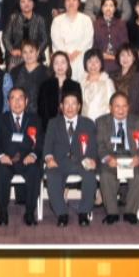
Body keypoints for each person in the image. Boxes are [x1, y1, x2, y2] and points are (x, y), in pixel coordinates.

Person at [43, 91, 99, 227]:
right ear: (61, 106)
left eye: (73, 104)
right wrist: (49, 158)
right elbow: (47, 145)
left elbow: (93, 146)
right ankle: (61, 213)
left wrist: (93, 160)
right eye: (66, 104)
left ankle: (84, 212)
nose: (70, 107)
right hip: (59, 162)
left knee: (90, 176)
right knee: (52, 175)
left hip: (82, 161)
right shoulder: (53, 123)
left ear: (79, 106)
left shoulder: (88, 123)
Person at [0, 87, 44, 226]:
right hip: (7, 160)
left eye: (20, 98)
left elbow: (40, 142)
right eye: (13, 98)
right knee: (1, 171)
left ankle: (30, 212)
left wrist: (33, 155)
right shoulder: (0, 119)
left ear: (26, 101)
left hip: (26, 160)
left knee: (34, 171)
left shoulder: (35, 119)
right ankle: (3, 211)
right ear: (8, 102)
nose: (17, 102)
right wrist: (1, 156)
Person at [96, 92, 139, 225]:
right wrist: (108, 159)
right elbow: (99, 145)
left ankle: (130, 212)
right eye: (117, 106)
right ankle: (112, 213)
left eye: (124, 106)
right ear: (110, 107)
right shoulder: (101, 122)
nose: (121, 110)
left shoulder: (137, 121)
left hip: (131, 159)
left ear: (128, 107)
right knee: (106, 176)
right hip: (112, 158)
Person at [51, 0, 94, 81]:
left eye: (74, 0)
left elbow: (88, 38)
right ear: (64, 3)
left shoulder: (86, 19)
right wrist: (65, 53)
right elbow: (56, 39)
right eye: (68, 0)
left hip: (81, 54)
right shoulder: (57, 20)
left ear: (79, 3)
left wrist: (76, 52)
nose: (71, 3)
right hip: (63, 55)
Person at [3, 0, 48, 70]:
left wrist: (36, 52)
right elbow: (6, 37)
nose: (26, 4)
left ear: (33, 3)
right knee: (14, 66)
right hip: (17, 53)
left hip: (35, 54)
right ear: (19, 4)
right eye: (23, 1)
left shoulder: (40, 19)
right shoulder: (13, 18)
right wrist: (12, 50)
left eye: (29, 0)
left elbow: (45, 39)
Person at [37, 51, 83, 130]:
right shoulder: (45, 85)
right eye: (56, 63)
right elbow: (41, 109)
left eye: (63, 62)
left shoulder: (75, 85)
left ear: (68, 65)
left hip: (70, 126)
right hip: (49, 127)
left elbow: (78, 108)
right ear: (52, 66)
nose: (60, 66)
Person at [8, 40, 50, 114]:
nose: (28, 55)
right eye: (25, 52)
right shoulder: (15, 71)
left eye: (31, 51)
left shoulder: (47, 73)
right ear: (21, 54)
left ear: (37, 52)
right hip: (18, 113)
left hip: (40, 114)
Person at [92, 0, 129, 74]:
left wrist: (116, 57)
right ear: (102, 8)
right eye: (105, 5)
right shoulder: (95, 25)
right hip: (100, 60)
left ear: (115, 9)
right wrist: (101, 55)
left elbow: (125, 44)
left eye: (111, 5)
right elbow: (93, 45)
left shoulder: (121, 24)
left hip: (118, 60)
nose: (108, 8)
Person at [79, 49, 116, 121]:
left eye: (96, 61)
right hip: (84, 121)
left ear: (101, 63)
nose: (93, 65)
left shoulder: (107, 82)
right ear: (85, 63)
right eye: (90, 61)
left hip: (102, 122)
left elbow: (113, 104)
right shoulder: (81, 82)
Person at [112, 44, 139, 117]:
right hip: (114, 114)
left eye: (129, 55)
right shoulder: (112, 76)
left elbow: (137, 102)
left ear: (134, 58)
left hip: (133, 116)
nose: (125, 58)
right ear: (118, 57)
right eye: (122, 55)